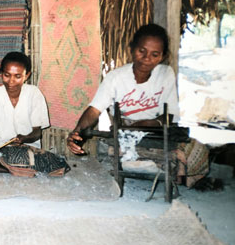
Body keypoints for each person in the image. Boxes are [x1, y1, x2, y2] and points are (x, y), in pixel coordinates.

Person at [66, 24, 209, 187]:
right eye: (142, 51)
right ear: (132, 49)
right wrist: (77, 132)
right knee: (111, 149)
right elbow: (94, 110)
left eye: (155, 54)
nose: (147, 58)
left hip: (156, 133)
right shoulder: (116, 77)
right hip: (125, 134)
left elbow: (169, 115)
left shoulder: (165, 74)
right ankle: (161, 167)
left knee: (198, 149)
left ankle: (149, 164)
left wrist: (148, 124)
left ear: (162, 56)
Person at [0, 51, 49, 155]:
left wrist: (24, 138)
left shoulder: (34, 94)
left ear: (26, 75)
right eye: (7, 75)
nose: (11, 81)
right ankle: (0, 163)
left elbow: (37, 132)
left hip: (27, 147)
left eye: (17, 76)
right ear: (2, 73)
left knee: (29, 159)